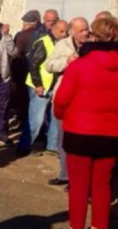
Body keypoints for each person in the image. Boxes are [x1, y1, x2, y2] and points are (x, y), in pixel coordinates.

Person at [54, 17, 118, 229]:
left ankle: (76, 226)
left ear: (94, 36)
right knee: (102, 184)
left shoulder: (79, 66)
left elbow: (61, 100)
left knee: (78, 185)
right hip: (111, 133)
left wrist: (62, 116)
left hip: (79, 131)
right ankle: (99, 226)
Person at [45, 17, 90, 187]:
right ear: (72, 32)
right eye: (81, 30)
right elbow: (49, 65)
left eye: (86, 29)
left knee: (80, 143)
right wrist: (67, 61)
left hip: (84, 100)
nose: (85, 33)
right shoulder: (62, 45)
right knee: (63, 140)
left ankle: (78, 179)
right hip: (64, 98)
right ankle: (65, 175)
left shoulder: (93, 46)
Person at [17, 19, 68, 156]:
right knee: (36, 118)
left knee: (55, 117)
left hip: (53, 86)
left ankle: (52, 146)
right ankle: (24, 146)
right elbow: (33, 65)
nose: (64, 34)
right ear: (54, 29)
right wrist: (38, 85)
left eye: (66, 31)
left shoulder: (62, 44)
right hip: (41, 86)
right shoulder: (43, 42)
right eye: (61, 31)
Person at [11, 10, 41, 126]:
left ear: (26, 24)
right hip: (36, 72)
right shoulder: (41, 35)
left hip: (22, 70)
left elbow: (16, 53)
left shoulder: (21, 36)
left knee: (21, 97)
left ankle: (22, 120)